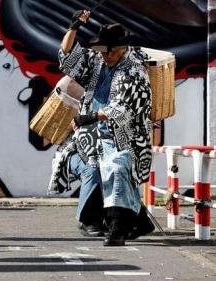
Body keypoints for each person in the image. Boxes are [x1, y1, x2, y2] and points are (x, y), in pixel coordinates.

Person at [50, 9, 155, 246]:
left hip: (126, 136)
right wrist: (74, 26)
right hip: (91, 135)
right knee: (99, 169)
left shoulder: (135, 70)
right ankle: (130, 221)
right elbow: (66, 58)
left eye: (110, 51)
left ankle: (116, 228)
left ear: (122, 49)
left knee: (117, 170)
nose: (105, 55)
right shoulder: (96, 62)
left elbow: (125, 108)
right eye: (102, 51)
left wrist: (91, 117)